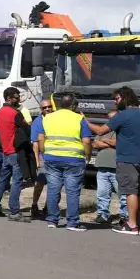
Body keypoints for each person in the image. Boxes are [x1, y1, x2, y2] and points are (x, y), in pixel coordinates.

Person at [88, 87, 140, 235]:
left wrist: (84, 121)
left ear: (124, 98)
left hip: (127, 159)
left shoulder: (123, 115)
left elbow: (99, 131)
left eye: (117, 99)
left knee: (130, 191)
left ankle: (131, 225)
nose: (115, 102)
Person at [39, 93, 91, 231]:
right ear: (73, 105)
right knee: (72, 191)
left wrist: (44, 153)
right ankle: (72, 222)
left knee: (53, 189)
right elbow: (86, 141)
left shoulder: (48, 118)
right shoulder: (79, 118)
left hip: (51, 157)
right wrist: (88, 155)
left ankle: (52, 220)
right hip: (73, 158)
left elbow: (40, 138)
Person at [0, 87, 30, 222]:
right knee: (16, 182)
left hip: (5, 151)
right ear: (9, 98)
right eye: (16, 96)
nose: (18, 99)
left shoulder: (0, 112)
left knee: (3, 180)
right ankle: (14, 211)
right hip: (15, 151)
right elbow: (27, 127)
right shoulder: (15, 113)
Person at [93, 110, 126, 226]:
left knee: (122, 194)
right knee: (102, 193)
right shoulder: (104, 130)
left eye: (114, 118)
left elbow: (122, 143)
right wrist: (111, 143)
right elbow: (95, 144)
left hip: (118, 167)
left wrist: (105, 142)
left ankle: (125, 216)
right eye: (110, 118)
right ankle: (102, 214)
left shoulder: (124, 130)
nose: (112, 120)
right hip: (102, 166)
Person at [29, 97, 53, 219]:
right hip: (43, 157)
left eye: (49, 106)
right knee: (40, 182)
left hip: (55, 156)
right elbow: (35, 143)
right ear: (41, 109)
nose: (48, 109)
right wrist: (37, 160)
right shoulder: (38, 122)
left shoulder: (57, 119)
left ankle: (49, 207)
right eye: (45, 108)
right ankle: (34, 205)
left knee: (54, 184)